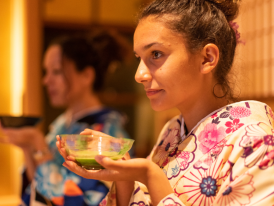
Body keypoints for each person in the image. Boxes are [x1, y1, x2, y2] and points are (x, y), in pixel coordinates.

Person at [56, 0, 274, 205]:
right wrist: (124, 176)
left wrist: (150, 175)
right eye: (139, 58)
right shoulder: (172, 133)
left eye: (156, 53)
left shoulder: (258, 143)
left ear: (207, 58)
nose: (139, 74)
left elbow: (153, 182)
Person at [0, 30, 131, 206]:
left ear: (86, 75)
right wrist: (27, 147)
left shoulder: (105, 130)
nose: (46, 80)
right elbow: (39, 187)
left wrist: (38, 142)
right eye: (46, 72)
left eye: (56, 71)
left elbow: (77, 198)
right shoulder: (63, 124)